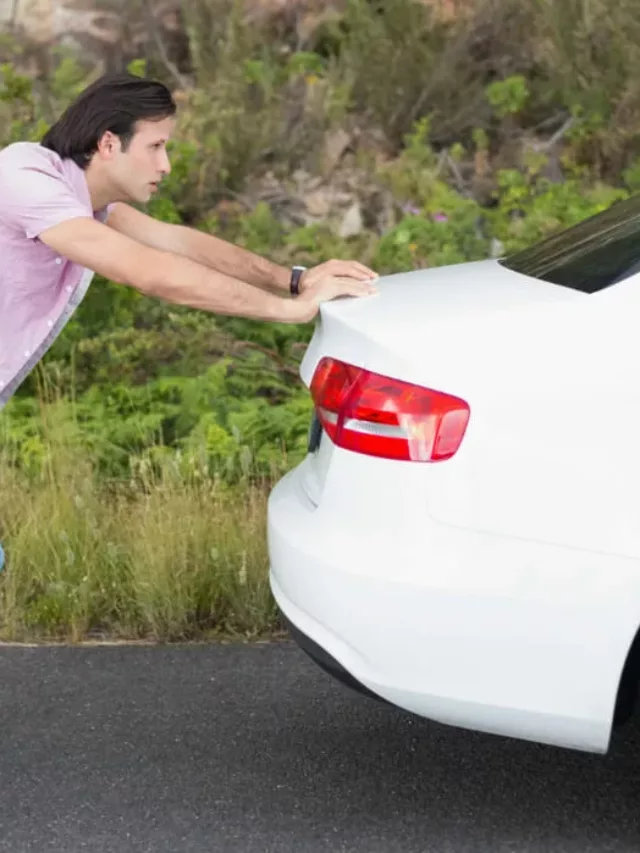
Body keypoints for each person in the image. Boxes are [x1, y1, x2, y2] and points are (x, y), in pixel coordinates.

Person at [0, 71, 379, 570]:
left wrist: (293, 280)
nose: (166, 164)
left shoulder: (86, 203)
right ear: (108, 143)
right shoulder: (25, 178)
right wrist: (289, 311)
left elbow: (175, 242)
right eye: (156, 146)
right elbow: (150, 272)